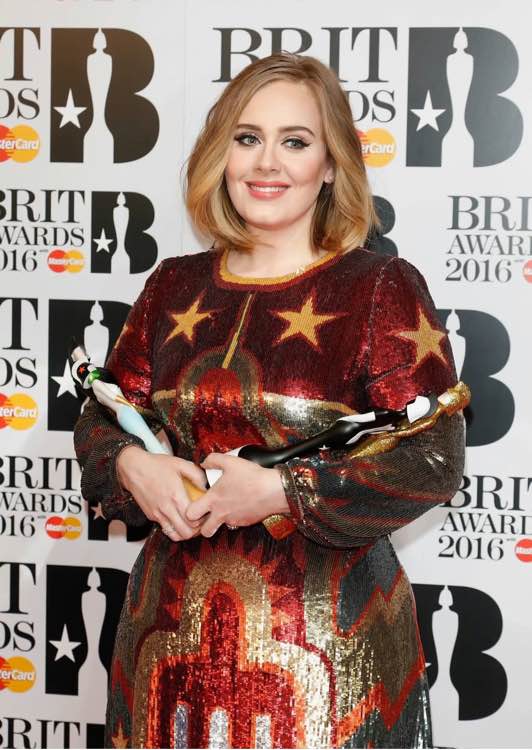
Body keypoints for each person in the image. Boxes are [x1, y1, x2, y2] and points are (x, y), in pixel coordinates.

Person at [74, 52, 465, 749]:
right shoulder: (173, 285)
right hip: (163, 650)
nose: (266, 163)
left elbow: (433, 459)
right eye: (248, 137)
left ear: (332, 164)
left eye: (296, 141)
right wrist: (135, 466)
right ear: (220, 154)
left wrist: (283, 491)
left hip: (333, 670)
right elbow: (104, 414)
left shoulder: (379, 287)